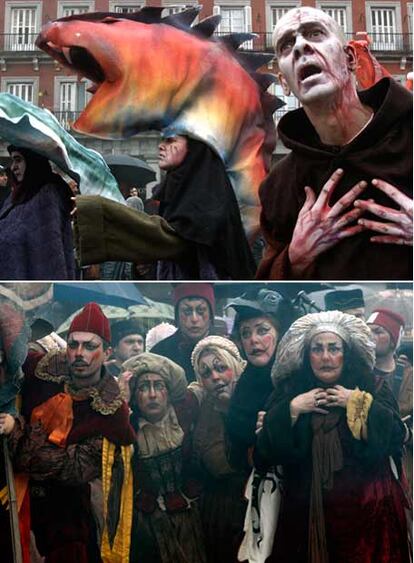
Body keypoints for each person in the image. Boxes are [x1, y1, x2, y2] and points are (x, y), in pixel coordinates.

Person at [257, 6, 412, 281]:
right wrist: (294, 259)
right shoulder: (278, 186)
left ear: (350, 57)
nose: (301, 47)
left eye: (315, 34)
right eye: (286, 44)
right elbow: (267, 290)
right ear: (284, 83)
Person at [255, 311, 410, 562]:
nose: (326, 357)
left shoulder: (373, 387)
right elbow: (263, 455)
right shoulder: (288, 392)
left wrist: (356, 402)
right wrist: (293, 409)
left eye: (334, 348)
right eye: (317, 349)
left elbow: (394, 438)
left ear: (346, 353)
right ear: (307, 355)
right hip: (304, 524)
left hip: (368, 524)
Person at [0, 302, 136, 563]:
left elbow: (71, 468)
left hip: (66, 518)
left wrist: (15, 430)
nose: (79, 353)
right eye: (73, 345)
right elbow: (12, 352)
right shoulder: (41, 369)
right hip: (14, 499)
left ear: (107, 352)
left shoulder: (112, 413)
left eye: (90, 346)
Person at [74, 136, 256, 279]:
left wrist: (95, 209)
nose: (161, 146)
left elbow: (177, 239)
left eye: (170, 141)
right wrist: (144, 268)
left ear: (193, 148)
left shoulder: (206, 194)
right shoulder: (176, 188)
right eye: (162, 140)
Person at [122, 352, 207, 563]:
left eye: (159, 386)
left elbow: (203, 388)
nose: (152, 395)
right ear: (134, 395)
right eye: (143, 387)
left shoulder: (184, 412)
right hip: (149, 519)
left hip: (191, 509)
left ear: (168, 392)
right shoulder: (128, 428)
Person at [191, 335, 248, 563]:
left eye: (221, 367)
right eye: (206, 373)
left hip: (254, 505)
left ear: (236, 366)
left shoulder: (257, 400)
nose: (215, 376)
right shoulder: (201, 409)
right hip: (217, 512)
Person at [226, 289, 294, 470]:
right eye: (245, 333)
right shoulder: (243, 385)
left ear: (281, 333)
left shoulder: (298, 379)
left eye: (262, 330)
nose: (253, 340)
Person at [0, 146, 76, 280]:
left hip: (28, 293)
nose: (13, 167)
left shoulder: (46, 196)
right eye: (13, 161)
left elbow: (51, 263)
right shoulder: (16, 198)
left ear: (33, 161)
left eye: (18, 160)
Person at [367, 308, 412, 496]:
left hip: (403, 468)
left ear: (394, 340)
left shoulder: (410, 377)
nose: (370, 336)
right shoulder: (357, 375)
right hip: (367, 472)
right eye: (367, 331)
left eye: (378, 331)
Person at [152, 284, 216, 383]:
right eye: (187, 311)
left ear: (211, 314)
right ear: (177, 315)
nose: (194, 319)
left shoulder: (227, 350)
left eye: (201, 311)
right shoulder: (159, 354)